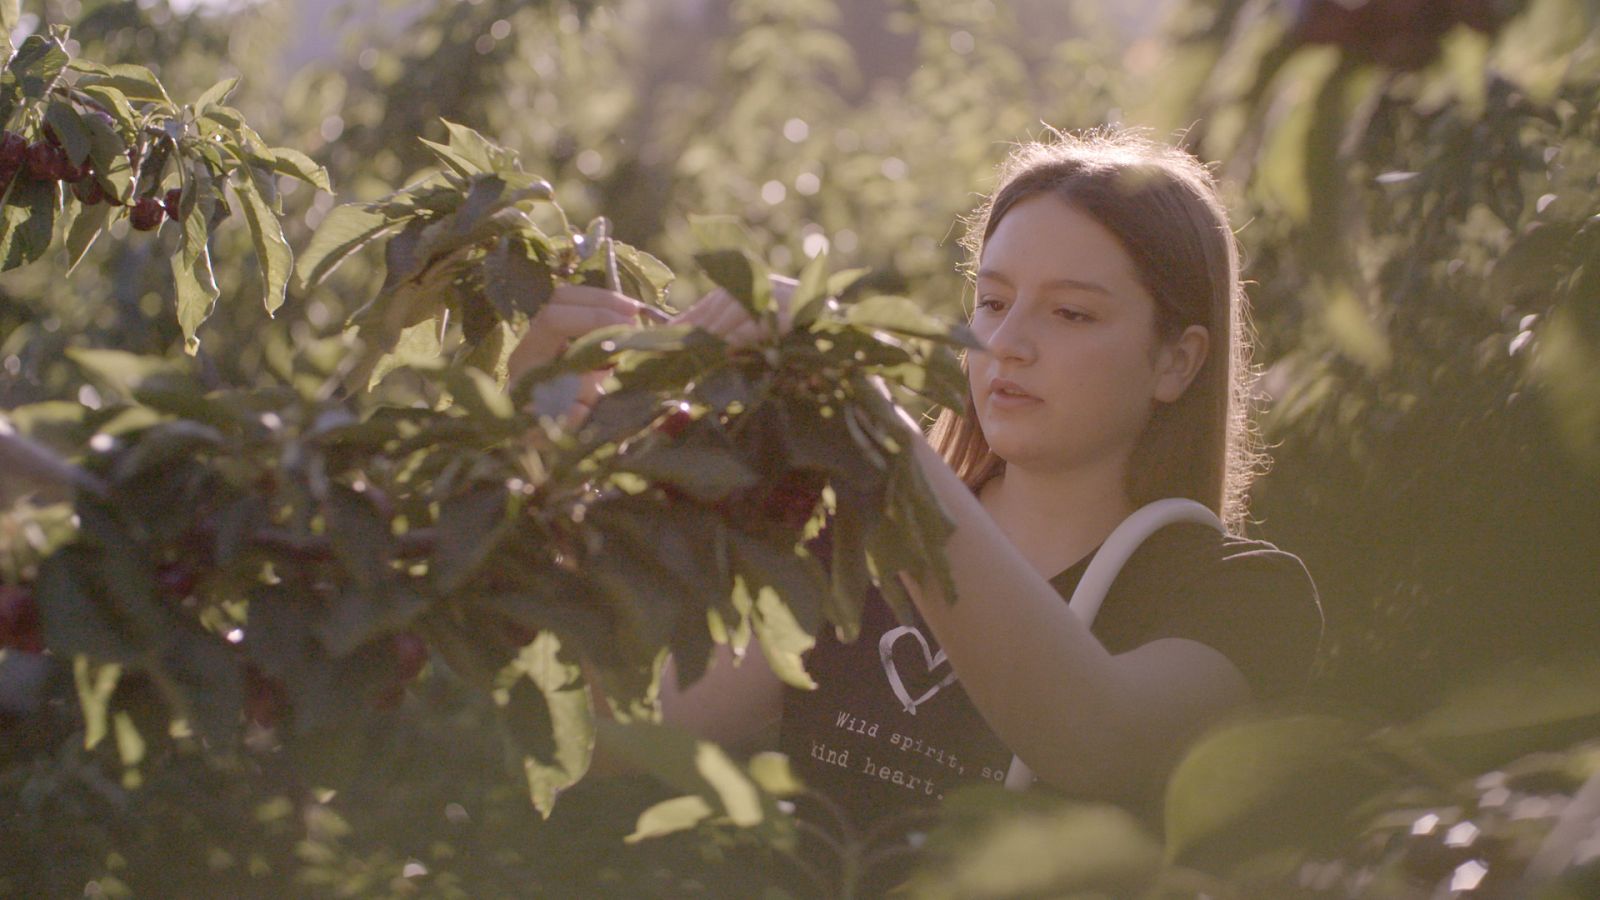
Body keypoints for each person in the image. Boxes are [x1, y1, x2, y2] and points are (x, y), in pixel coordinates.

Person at [509, 128, 1324, 837]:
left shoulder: (1239, 598)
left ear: (1176, 361)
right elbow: (586, 736)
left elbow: (1096, 741)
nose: (1008, 343)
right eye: (993, 301)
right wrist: (538, 454)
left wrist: (868, 425)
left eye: (1071, 313)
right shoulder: (851, 555)